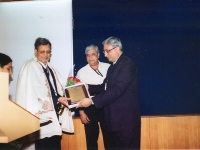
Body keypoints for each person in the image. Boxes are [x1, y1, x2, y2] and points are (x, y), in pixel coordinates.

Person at [78, 36, 141, 150]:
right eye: (104, 52)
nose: (105, 55)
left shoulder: (127, 64)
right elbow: (105, 87)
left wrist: (92, 101)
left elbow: (116, 90)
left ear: (116, 49)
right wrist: (87, 87)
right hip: (114, 122)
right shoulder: (113, 67)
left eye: (107, 51)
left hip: (125, 122)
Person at [15, 37, 73, 150]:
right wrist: (58, 99)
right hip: (41, 119)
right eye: (42, 52)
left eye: (48, 52)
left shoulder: (51, 68)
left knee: (55, 145)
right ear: (35, 51)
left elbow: (55, 90)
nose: (45, 55)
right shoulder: (29, 67)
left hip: (54, 116)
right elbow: (35, 94)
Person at [76, 45, 111, 150]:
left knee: (109, 138)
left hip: (106, 105)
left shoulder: (108, 68)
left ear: (98, 55)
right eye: (88, 55)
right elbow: (78, 95)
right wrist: (81, 113)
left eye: (93, 54)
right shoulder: (81, 72)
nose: (90, 57)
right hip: (89, 107)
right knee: (91, 141)